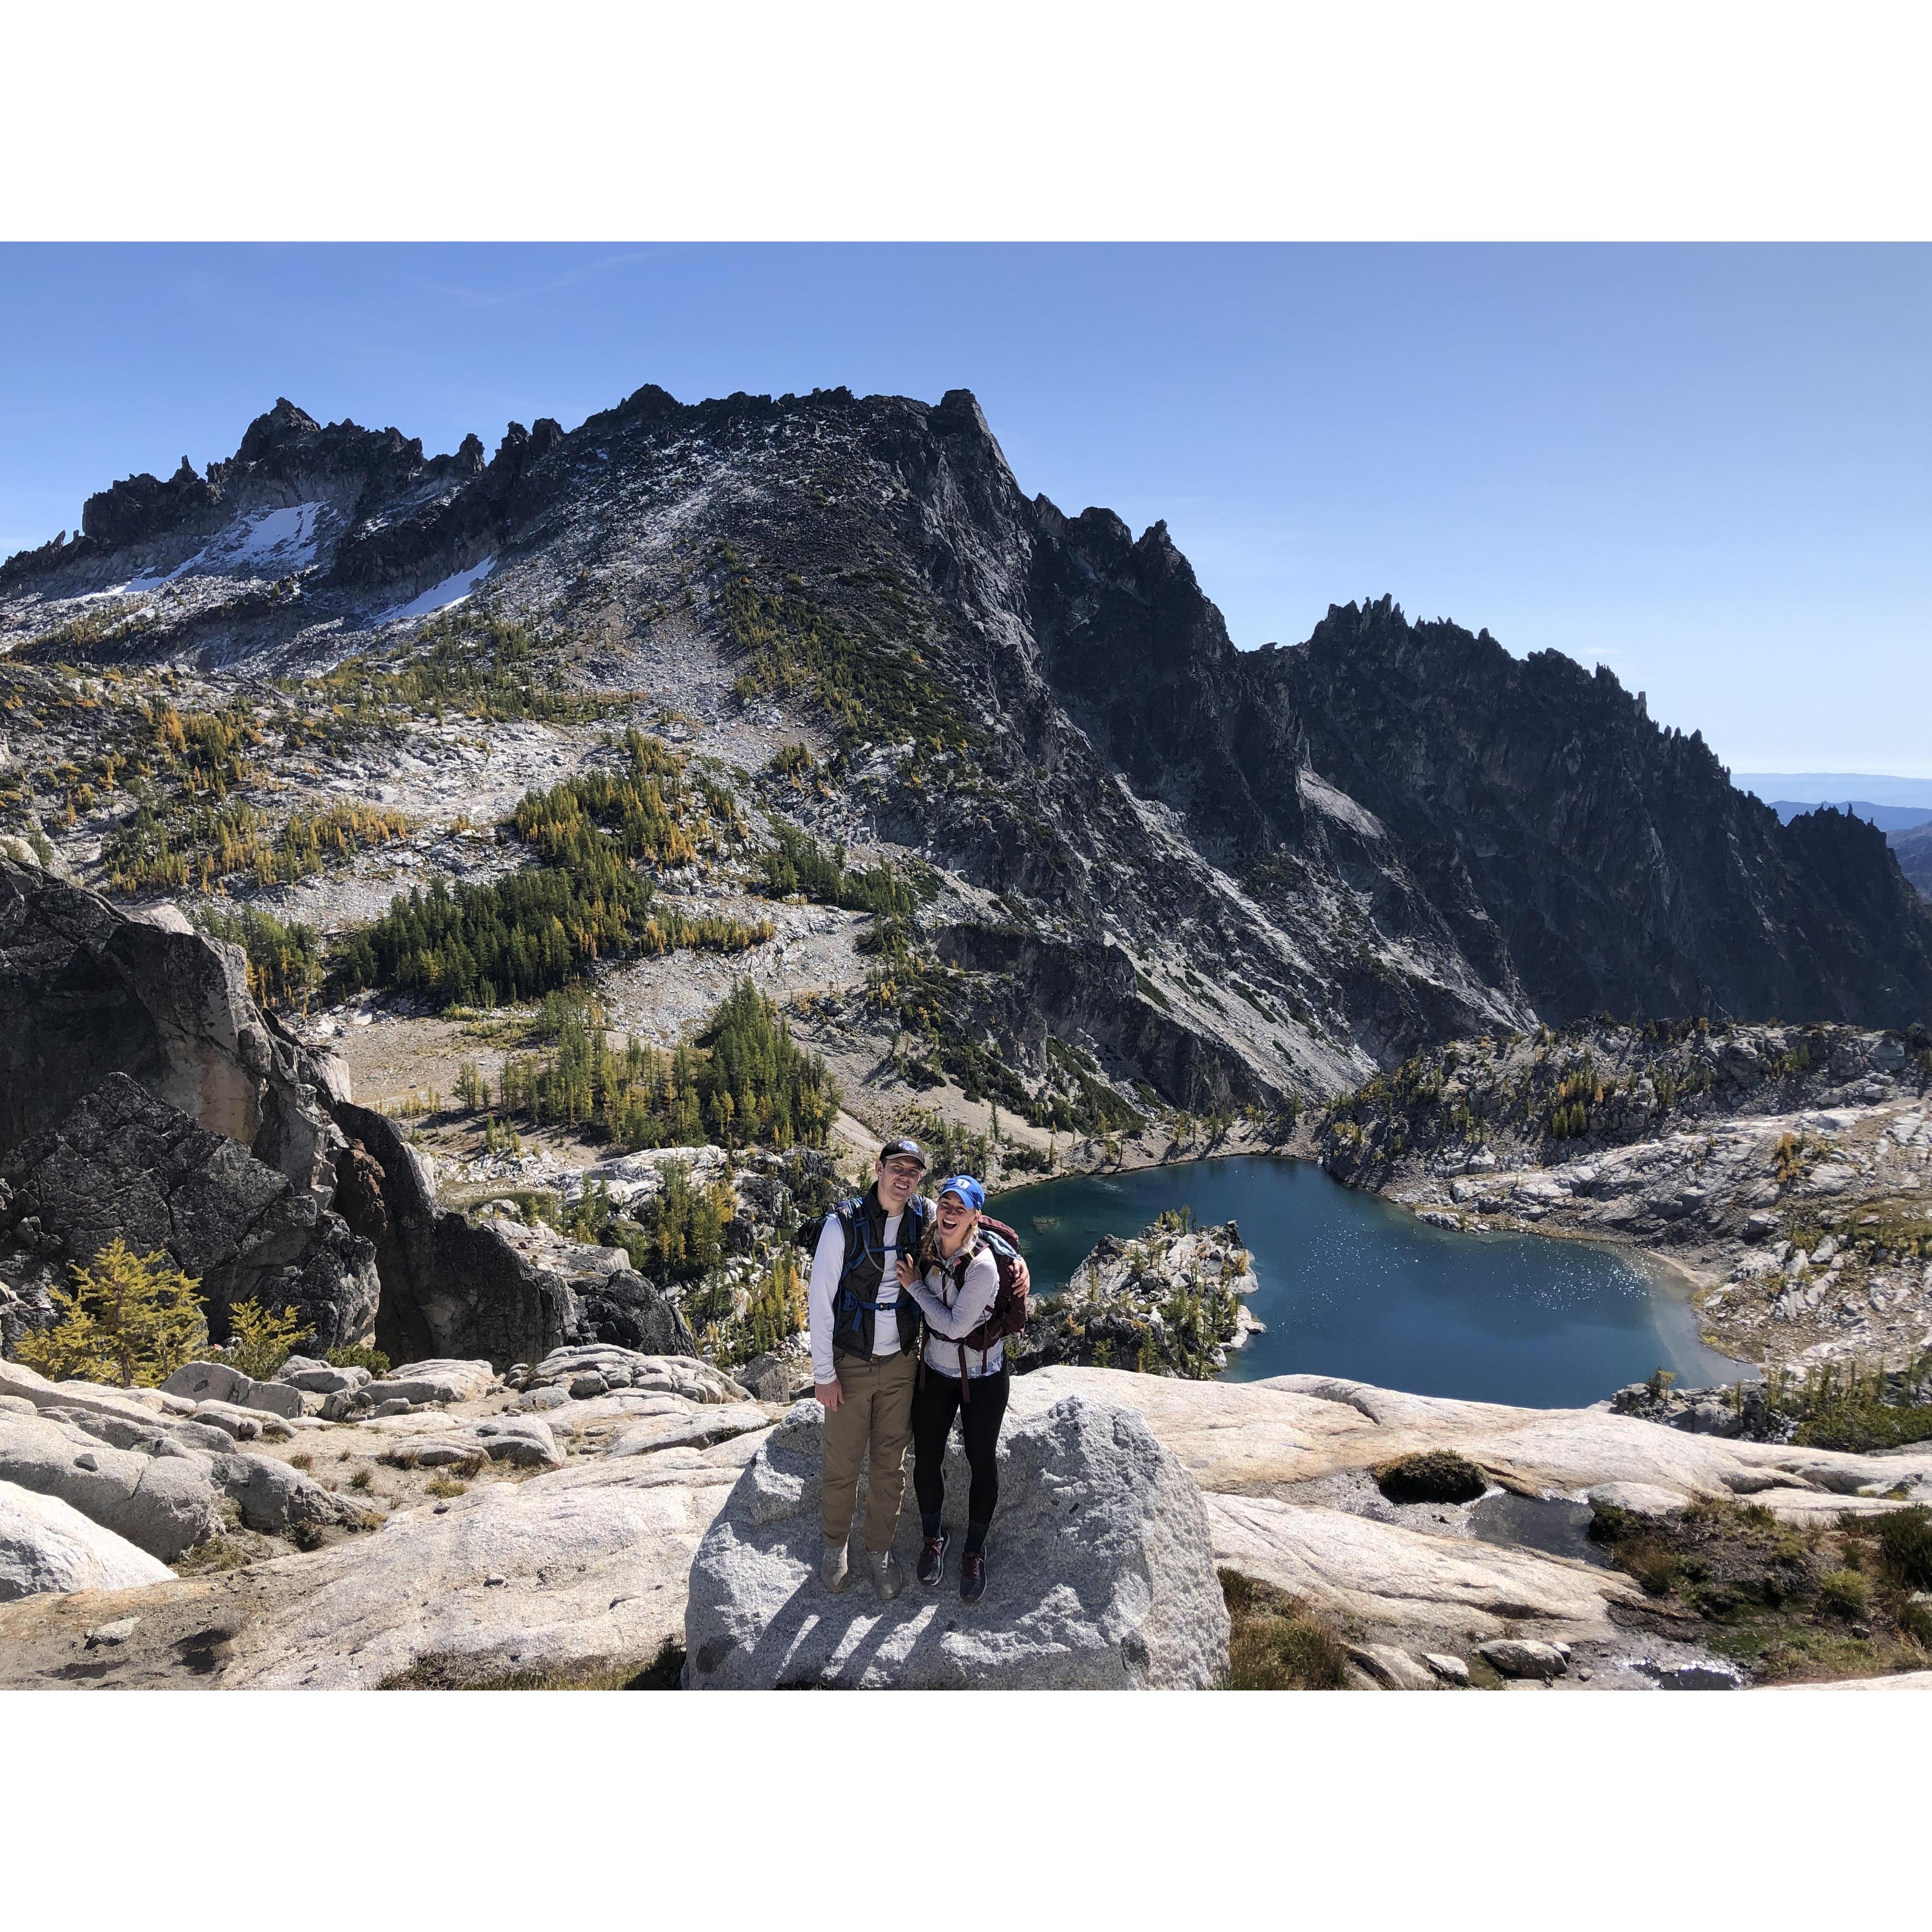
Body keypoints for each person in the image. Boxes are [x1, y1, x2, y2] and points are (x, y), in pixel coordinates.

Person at [894, 1173, 1010, 1605]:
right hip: (935, 1373)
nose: (950, 1213)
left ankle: (975, 1551)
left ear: (975, 1216)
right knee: (928, 1458)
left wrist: (914, 1288)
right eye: (946, 1204)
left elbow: (955, 1326)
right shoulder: (928, 1241)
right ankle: (932, 1537)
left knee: (982, 1461)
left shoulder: (982, 1266)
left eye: (961, 1208)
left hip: (982, 1378)